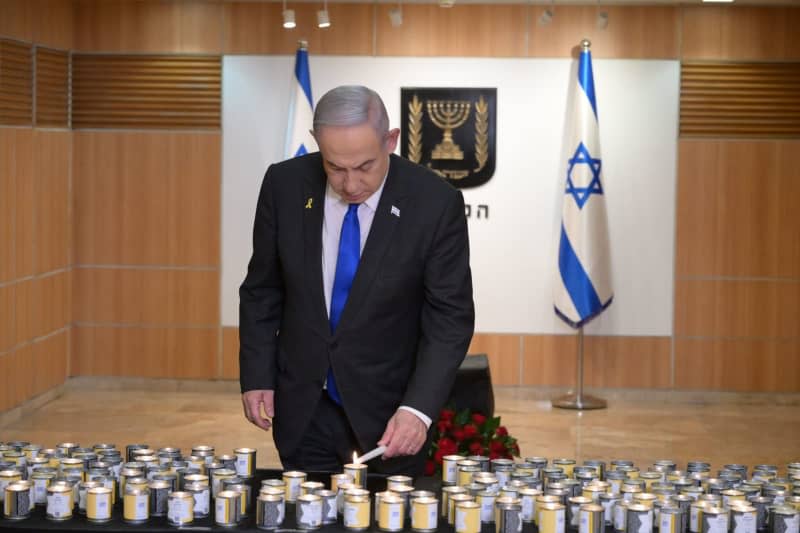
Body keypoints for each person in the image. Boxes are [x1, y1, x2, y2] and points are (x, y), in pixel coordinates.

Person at [239, 85, 474, 476]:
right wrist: (257, 374)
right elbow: (262, 290)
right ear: (317, 144)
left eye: (364, 166)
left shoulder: (434, 202)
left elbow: (449, 318)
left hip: (391, 418)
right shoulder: (284, 185)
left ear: (391, 141)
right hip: (303, 410)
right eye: (335, 167)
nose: (350, 184)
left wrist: (417, 409)